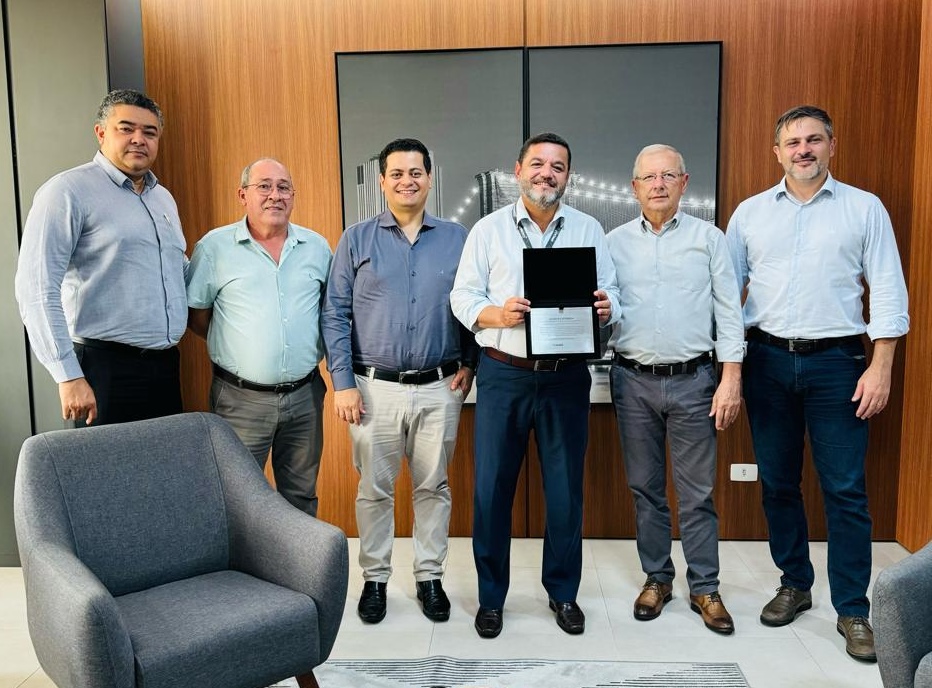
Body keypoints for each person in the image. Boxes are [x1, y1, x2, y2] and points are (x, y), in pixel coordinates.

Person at [725, 105, 909, 661]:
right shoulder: (750, 214)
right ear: (776, 152)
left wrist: (881, 365)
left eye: (813, 139)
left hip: (838, 364)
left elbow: (888, 288)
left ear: (831, 145)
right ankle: (795, 584)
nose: (802, 149)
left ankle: (853, 608)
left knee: (845, 490)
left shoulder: (864, 208)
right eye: (792, 142)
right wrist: (731, 368)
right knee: (778, 483)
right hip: (766, 361)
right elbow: (726, 296)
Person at [450, 132, 620, 639]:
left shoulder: (589, 228)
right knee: (491, 492)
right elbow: (462, 296)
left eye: (558, 167)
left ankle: (563, 593)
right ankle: (491, 598)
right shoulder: (487, 230)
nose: (548, 174)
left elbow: (613, 292)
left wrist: (609, 307)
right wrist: (495, 314)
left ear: (568, 176)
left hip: (566, 377)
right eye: (538, 164)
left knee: (565, 493)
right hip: (504, 373)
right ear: (518, 170)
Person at [321, 138, 477, 624]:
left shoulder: (457, 238)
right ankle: (375, 580)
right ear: (382, 181)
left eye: (416, 172)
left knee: (434, 486)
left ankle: (430, 577)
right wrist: (342, 383)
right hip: (373, 389)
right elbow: (334, 313)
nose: (407, 181)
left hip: (440, 386)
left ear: (429, 178)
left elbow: (474, 304)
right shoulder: (356, 239)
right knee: (374, 489)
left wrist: (471, 362)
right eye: (397, 173)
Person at [607, 144, 744, 635]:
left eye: (668, 175)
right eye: (649, 177)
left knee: (697, 494)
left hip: (695, 382)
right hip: (632, 381)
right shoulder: (612, 243)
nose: (658, 184)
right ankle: (657, 579)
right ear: (634, 187)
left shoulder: (710, 239)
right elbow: (602, 309)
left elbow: (730, 313)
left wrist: (731, 379)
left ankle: (705, 587)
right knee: (645, 490)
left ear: (684, 183)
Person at [15, 89, 186, 427]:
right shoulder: (67, 191)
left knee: (164, 462)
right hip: (103, 370)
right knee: (105, 463)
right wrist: (68, 375)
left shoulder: (163, 198)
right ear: (101, 133)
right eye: (126, 128)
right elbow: (36, 288)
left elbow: (178, 270)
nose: (139, 139)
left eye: (150, 132)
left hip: (164, 368)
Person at [187, 159, 331, 516]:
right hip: (240, 399)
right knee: (237, 500)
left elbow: (330, 314)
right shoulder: (214, 247)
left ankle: (297, 557)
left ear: (293, 195)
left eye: (283, 187)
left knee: (301, 496)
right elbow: (197, 316)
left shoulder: (316, 247)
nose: (274, 195)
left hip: (304, 397)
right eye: (264, 186)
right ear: (243, 195)